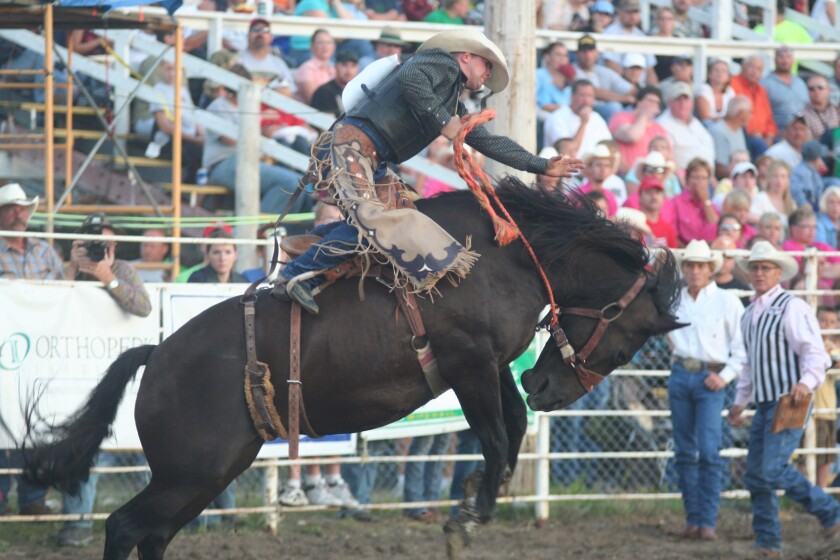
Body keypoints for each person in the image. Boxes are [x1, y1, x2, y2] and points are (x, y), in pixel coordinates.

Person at [270, 29, 583, 314]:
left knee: (396, 219)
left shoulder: (450, 102)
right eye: (487, 65)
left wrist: (541, 164)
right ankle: (295, 275)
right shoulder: (441, 62)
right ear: (467, 57)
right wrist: (445, 122)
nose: (488, 74)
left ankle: (313, 247)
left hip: (367, 156)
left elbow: (486, 141)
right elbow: (411, 78)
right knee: (376, 225)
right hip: (353, 146)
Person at [729, 241, 840, 557]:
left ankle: (829, 513)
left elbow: (815, 353)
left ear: (778, 273)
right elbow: (749, 364)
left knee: (771, 470)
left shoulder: (792, 306)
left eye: (766, 268)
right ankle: (768, 541)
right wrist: (740, 401)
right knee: (757, 474)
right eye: (755, 267)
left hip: (790, 400)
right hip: (767, 402)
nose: (759, 273)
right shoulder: (749, 314)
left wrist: (805, 383)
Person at [667, 239, 746, 541]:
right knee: (685, 451)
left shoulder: (727, 301)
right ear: (685, 268)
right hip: (681, 373)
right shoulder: (675, 299)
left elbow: (741, 347)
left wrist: (724, 376)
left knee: (709, 451)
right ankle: (694, 519)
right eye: (690, 265)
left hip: (710, 378)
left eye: (700, 266)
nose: (695, 271)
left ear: (710, 269)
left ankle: (706, 520)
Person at [0, 183, 58, 517]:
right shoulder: (43, 251)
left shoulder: (44, 251)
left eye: (22, 208)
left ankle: (33, 496)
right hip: (6, 347)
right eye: (11, 208)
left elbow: (64, 290)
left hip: (39, 346)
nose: (18, 214)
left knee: (36, 419)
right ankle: (7, 495)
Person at [202, 64, 307, 215]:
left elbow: (248, 136)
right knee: (290, 183)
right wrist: (259, 121)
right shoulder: (218, 106)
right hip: (223, 163)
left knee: (300, 183)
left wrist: (265, 131)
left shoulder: (249, 107)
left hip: (249, 160)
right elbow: (230, 140)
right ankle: (261, 226)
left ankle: (280, 226)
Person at [572, 34, 635, 123]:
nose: (587, 55)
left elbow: (629, 89)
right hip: (584, 108)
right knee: (614, 107)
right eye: (583, 51)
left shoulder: (603, 70)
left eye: (590, 51)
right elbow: (594, 92)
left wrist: (637, 96)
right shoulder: (572, 70)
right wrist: (625, 98)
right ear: (577, 54)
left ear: (597, 53)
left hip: (603, 108)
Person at [543, 79, 611, 158]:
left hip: (592, 165)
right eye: (582, 95)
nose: (586, 101)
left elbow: (610, 147)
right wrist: (583, 123)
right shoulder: (557, 117)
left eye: (590, 96)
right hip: (568, 165)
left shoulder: (596, 118)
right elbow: (568, 151)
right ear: (572, 96)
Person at [609, 86, 669, 175]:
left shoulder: (659, 128)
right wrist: (644, 115)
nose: (653, 105)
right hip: (625, 174)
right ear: (638, 101)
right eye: (650, 101)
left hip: (651, 175)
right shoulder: (620, 117)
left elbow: (667, 155)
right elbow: (632, 136)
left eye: (656, 103)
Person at [657, 82, 715, 172]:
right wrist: (681, 178)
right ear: (669, 102)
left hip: (707, 176)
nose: (682, 103)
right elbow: (666, 158)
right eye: (678, 100)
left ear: (692, 102)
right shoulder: (662, 125)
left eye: (686, 99)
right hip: (684, 177)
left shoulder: (695, 122)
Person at [730, 56, 777, 158]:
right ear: (743, 67)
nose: (754, 72)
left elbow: (769, 118)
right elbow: (734, 115)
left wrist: (770, 135)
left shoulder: (761, 90)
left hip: (764, 136)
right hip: (744, 134)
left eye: (759, 69)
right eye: (751, 67)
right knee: (759, 145)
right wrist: (751, 132)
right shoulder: (733, 84)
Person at [814, 306, 839, 489]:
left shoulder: (834, 348)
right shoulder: (808, 343)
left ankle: (821, 495)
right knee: (803, 456)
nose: (827, 325)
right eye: (823, 321)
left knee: (825, 458)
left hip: (826, 409)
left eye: (831, 322)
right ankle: (805, 496)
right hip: (807, 408)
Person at [761, 45, 809, 133]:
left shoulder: (800, 83)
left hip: (802, 133)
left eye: (788, 57)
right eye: (781, 57)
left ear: (793, 60)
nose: (785, 61)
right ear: (775, 59)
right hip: (777, 133)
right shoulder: (765, 83)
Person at [673, 158, 718, 245]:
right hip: (684, 249)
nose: (700, 182)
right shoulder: (676, 203)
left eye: (704, 178)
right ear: (687, 179)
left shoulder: (710, 204)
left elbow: (715, 227)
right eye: (696, 177)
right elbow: (673, 233)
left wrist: (705, 201)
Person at [709, 96, 752, 180]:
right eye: (749, 112)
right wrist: (743, 177)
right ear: (740, 114)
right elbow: (720, 168)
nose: (751, 116)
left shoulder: (740, 129)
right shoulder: (718, 131)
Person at [310, 49, 360, 117]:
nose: (349, 71)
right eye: (344, 65)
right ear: (336, 66)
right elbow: (325, 121)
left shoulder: (360, 92)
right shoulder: (324, 92)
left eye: (353, 66)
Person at [295, 29, 337, 105]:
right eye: (320, 42)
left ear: (334, 47)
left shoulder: (335, 69)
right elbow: (314, 100)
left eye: (328, 42)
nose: (325, 46)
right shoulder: (307, 69)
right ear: (312, 46)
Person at [751, 160, 796, 230]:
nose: (779, 180)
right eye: (775, 176)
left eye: (783, 176)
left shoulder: (791, 203)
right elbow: (751, 217)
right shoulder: (761, 198)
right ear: (769, 178)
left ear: (788, 180)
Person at [636, 175, 677, 248]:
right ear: (640, 197)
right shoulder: (633, 226)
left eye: (657, 192)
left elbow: (673, 253)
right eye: (649, 192)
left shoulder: (668, 229)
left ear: (663, 198)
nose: (654, 196)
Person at [791, 140, 830, 211]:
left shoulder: (813, 170)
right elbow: (796, 191)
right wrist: (804, 203)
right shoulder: (799, 171)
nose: (821, 159)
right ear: (815, 158)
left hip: (816, 203)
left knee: (834, 181)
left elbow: (819, 186)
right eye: (819, 157)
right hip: (805, 207)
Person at [696, 58, 736, 125]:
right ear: (709, 74)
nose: (720, 73)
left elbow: (734, 114)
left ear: (728, 77)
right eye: (716, 70)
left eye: (723, 71)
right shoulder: (703, 89)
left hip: (725, 127)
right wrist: (727, 119)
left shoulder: (730, 91)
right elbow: (705, 117)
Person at [800, 74, 839, 141]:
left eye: (820, 88)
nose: (816, 91)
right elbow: (808, 143)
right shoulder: (802, 116)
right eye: (811, 89)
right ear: (808, 92)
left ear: (829, 90)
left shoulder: (836, 110)